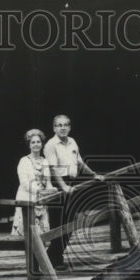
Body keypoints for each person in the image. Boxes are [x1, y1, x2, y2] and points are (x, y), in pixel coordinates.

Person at [44, 114, 105, 269]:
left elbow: (80, 162)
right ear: (54, 128)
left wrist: (94, 174)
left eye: (65, 125)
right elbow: (52, 169)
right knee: (58, 224)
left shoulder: (73, 142)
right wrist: (63, 186)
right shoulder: (51, 145)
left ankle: (50, 258)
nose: (63, 128)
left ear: (69, 127)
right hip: (58, 186)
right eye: (59, 125)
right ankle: (54, 260)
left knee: (70, 224)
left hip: (72, 183)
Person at [10, 129, 56, 238]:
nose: (36, 144)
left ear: (42, 144)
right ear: (29, 145)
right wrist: (41, 191)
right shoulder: (24, 161)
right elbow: (25, 183)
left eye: (38, 142)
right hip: (27, 200)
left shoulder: (45, 161)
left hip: (41, 202)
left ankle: (39, 255)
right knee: (28, 235)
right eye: (33, 142)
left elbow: (48, 182)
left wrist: (51, 190)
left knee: (41, 236)